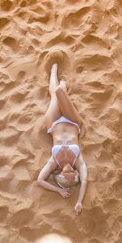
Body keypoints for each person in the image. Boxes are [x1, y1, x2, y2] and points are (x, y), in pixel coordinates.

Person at [37, 63, 87, 215]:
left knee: (56, 94)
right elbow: (84, 181)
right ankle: (63, 85)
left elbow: (40, 180)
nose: (72, 170)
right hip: (73, 121)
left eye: (68, 173)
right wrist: (79, 201)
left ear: (60, 175)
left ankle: (54, 72)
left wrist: (58, 190)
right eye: (74, 172)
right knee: (60, 90)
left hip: (53, 124)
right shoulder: (77, 160)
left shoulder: (54, 162)